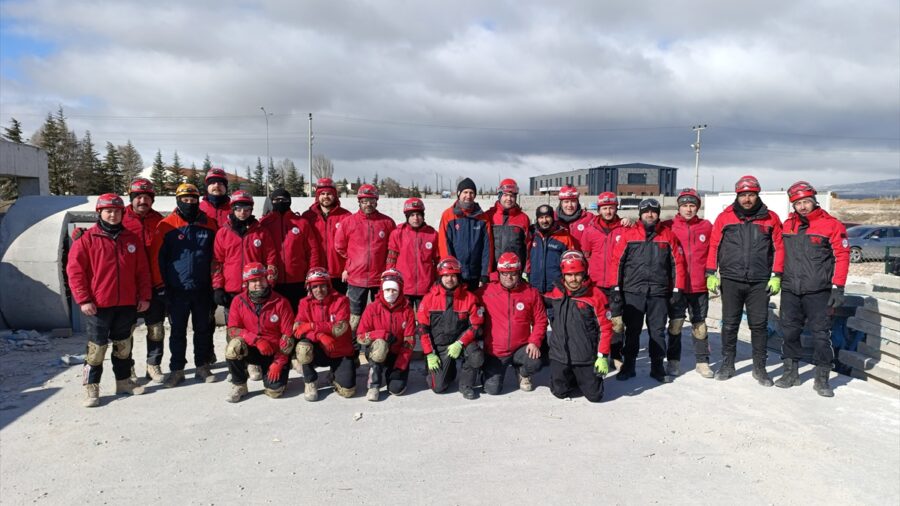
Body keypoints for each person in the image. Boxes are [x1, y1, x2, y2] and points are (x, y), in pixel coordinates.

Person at [67, 193, 151, 407]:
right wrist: (84, 299)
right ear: (100, 213)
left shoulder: (131, 239)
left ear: (123, 213)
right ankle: (91, 387)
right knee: (96, 349)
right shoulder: (87, 239)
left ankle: (123, 382)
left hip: (126, 303)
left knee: (123, 346)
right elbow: (75, 271)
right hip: (98, 305)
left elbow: (142, 272)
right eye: (108, 211)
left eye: (117, 211)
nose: (113, 215)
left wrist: (144, 296)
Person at [706, 175, 784, 386]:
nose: (747, 199)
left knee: (758, 325)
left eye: (751, 195)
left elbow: (779, 248)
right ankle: (727, 364)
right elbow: (714, 245)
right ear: (737, 196)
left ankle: (760, 368)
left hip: (759, 281)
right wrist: (711, 272)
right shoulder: (725, 218)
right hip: (731, 280)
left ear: (757, 195)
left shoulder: (771, 218)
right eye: (743, 195)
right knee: (729, 324)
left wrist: (776, 275)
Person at [774, 182, 849, 397]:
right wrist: (776, 276)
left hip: (818, 291)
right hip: (790, 289)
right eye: (798, 203)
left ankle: (822, 377)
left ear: (814, 201)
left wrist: (838, 287)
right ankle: (791, 373)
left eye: (806, 201)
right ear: (793, 205)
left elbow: (842, 257)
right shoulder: (788, 225)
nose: (803, 206)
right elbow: (779, 251)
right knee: (789, 331)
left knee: (820, 335)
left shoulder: (831, 225)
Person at [609, 198, 687, 383]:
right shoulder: (629, 235)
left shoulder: (667, 235)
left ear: (658, 214)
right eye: (646, 211)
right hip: (633, 292)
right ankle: (629, 366)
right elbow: (616, 263)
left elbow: (678, 264)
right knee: (632, 331)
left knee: (657, 332)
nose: (650, 215)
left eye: (653, 211)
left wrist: (677, 289)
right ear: (640, 213)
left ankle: (657, 367)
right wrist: (616, 288)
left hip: (658, 293)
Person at [149, 183, 218, 388]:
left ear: (198, 201)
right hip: (176, 290)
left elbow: (218, 256)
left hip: (203, 289)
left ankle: (202, 366)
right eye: (185, 200)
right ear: (178, 201)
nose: (189, 203)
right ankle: (177, 370)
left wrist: (216, 284)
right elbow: (156, 259)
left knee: (203, 329)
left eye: (193, 200)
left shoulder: (210, 224)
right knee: (177, 332)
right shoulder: (166, 225)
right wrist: (160, 285)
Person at [543, 252, 613, 402]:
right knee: (559, 392)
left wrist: (603, 356)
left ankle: (581, 377)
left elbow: (606, 328)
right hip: (560, 355)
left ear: (584, 273)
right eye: (569, 275)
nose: (573, 279)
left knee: (595, 396)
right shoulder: (556, 292)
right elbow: (536, 301)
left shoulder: (596, 295)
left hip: (585, 356)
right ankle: (571, 377)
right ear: (563, 274)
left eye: (578, 274)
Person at [660, 188, 715, 378]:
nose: (689, 209)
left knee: (699, 325)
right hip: (676, 285)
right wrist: (627, 222)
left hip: (699, 285)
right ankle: (673, 362)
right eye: (685, 206)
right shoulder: (667, 226)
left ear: (697, 207)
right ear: (679, 207)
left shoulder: (707, 226)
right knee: (675, 324)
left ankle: (702, 362)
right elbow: (645, 228)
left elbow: (715, 250)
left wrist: (713, 274)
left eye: (692, 206)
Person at [223, 263, 294, 402]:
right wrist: (256, 340)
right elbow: (232, 330)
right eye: (253, 281)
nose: (258, 284)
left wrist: (279, 362)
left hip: (273, 352)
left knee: (275, 391)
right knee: (233, 347)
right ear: (247, 283)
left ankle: (273, 372)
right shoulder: (238, 301)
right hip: (252, 349)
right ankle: (239, 384)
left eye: (261, 279)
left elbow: (289, 335)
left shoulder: (281, 302)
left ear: (267, 279)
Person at [417, 257, 485, 399]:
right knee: (438, 387)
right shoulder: (429, 299)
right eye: (446, 276)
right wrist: (429, 353)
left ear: (458, 277)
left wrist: (460, 343)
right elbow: (422, 329)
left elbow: (476, 325)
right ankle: (446, 370)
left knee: (476, 356)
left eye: (453, 275)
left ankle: (466, 385)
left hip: (460, 343)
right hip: (440, 346)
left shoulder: (469, 298)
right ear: (440, 276)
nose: (449, 279)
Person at [479, 252, 548, 394]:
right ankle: (488, 372)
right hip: (496, 351)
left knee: (535, 360)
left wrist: (534, 341)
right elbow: (466, 300)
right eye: (504, 273)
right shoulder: (486, 291)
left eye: (513, 273)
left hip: (520, 348)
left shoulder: (530, 293)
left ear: (519, 272)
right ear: (499, 273)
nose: (508, 277)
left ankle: (523, 372)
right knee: (492, 390)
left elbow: (540, 320)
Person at [334, 184, 396, 338]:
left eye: (371, 201)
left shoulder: (387, 223)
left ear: (376, 201)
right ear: (359, 202)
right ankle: (352, 346)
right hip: (356, 278)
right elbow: (340, 246)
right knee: (355, 314)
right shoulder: (348, 222)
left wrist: (388, 270)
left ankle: (377, 343)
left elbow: (392, 248)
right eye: (364, 201)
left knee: (379, 312)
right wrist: (352, 262)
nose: (368, 204)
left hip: (379, 277)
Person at [580, 192, 634, 366]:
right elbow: (585, 255)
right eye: (604, 208)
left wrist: (633, 220)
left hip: (616, 283)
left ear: (616, 207)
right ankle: (597, 353)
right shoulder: (590, 230)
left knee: (617, 322)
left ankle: (616, 355)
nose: (608, 211)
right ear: (599, 209)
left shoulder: (625, 228)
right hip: (596, 284)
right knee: (597, 321)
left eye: (611, 207)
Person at [121, 177, 166, 383]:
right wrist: (81, 235)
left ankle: (153, 364)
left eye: (147, 197)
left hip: (155, 283)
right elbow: (100, 233)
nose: (142, 201)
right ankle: (127, 368)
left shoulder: (160, 221)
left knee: (155, 327)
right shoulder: (119, 218)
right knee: (126, 330)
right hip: (128, 285)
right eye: (138, 196)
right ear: (131, 198)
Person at [212, 189, 278, 323]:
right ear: (232, 209)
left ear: (251, 210)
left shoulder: (261, 232)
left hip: (256, 289)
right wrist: (218, 287)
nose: (243, 212)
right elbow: (217, 262)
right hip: (232, 291)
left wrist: (269, 283)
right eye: (238, 208)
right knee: (234, 334)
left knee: (257, 330)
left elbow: (271, 259)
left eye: (247, 209)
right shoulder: (223, 233)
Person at [293, 267, 356, 401]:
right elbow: (298, 330)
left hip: (339, 349)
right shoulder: (304, 303)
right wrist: (320, 336)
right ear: (309, 287)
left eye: (322, 285)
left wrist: (312, 326)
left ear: (328, 285)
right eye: (315, 286)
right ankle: (310, 381)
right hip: (318, 350)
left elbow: (340, 328)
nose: (319, 290)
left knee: (348, 391)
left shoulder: (341, 300)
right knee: (303, 347)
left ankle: (334, 375)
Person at [356, 269, 416, 401]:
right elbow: (360, 336)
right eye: (387, 289)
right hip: (377, 351)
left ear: (400, 290)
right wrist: (382, 334)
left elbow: (409, 341)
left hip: (397, 354)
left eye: (394, 290)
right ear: (382, 289)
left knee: (396, 389)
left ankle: (391, 373)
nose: (391, 293)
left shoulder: (407, 310)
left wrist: (400, 364)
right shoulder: (372, 308)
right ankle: (374, 385)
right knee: (380, 345)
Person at [259, 188, 323, 309]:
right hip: (273, 280)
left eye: (284, 199)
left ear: (289, 201)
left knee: (298, 314)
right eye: (276, 200)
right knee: (276, 314)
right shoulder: (265, 223)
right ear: (271, 201)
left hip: (298, 279)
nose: (280, 202)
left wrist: (312, 273)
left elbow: (312, 250)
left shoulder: (301, 223)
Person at [437, 178, 493, 291]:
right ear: (459, 194)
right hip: (456, 275)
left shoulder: (483, 217)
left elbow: (487, 247)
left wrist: (485, 273)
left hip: (476, 275)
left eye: (471, 193)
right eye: (465, 192)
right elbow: (444, 245)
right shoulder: (448, 216)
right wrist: (450, 271)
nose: (468, 196)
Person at [386, 197, 438, 311]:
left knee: (424, 318)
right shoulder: (397, 233)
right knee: (404, 318)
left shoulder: (432, 234)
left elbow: (437, 260)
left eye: (419, 214)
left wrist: (437, 281)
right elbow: (391, 259)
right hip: (404, 287)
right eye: (412, 215)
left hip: (426, 287)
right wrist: (390, 280)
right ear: (407, 217)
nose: (416, 218)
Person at [301, 178, 352, 294]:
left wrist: (347, 268)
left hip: (338, 272)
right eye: (322, 194)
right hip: (315, 271)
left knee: (338, 305)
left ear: (335, 196)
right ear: (318, 196)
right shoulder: (308, 217)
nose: (326, 196)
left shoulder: (346, 216)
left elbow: (352, 246)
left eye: (329, 194)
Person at [486, 178, 531, 267]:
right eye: (505, 195)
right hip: (493, 271)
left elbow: (528, 247)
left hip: (515, 272)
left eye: (512, 196)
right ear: (499, 196)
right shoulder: (489, 216)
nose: (509, 199)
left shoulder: (523, 218)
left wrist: (526, 270)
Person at [554, 185, 594, 249]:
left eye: (573, 201)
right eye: (566, 202)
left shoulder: (589, 218)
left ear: (577, 202)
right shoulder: (553, 219)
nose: (570, 205)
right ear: (561, 203)